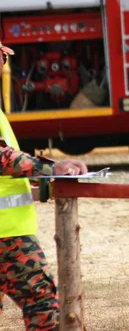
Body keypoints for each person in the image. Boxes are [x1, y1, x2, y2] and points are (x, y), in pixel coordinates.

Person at [0, 40, 88, 331]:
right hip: (7, 237)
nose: (3, 64)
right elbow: (3, 158)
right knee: (42, 301)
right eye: (0, 57)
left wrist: (49, 170)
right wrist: (52, 169)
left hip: (8, 232)